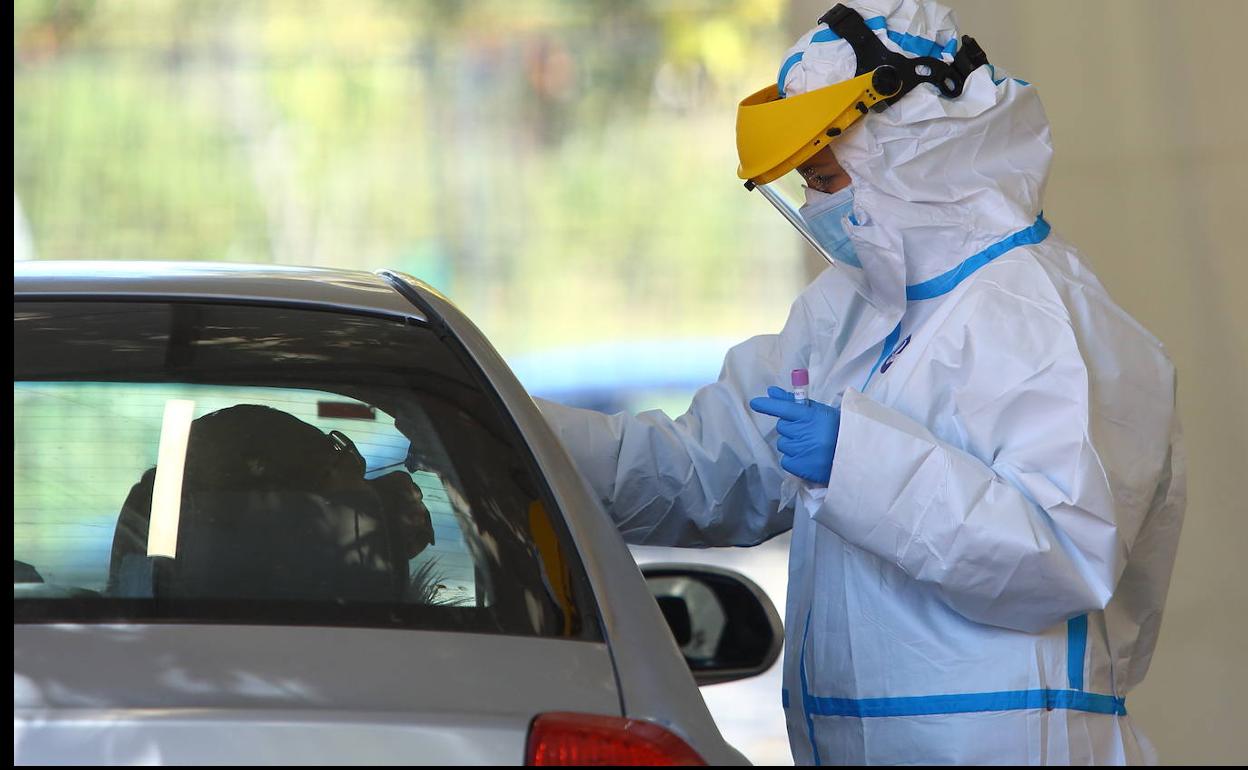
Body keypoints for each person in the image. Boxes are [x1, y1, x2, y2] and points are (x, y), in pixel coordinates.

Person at [536, 0, 1185, 764]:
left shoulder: (1043, 318)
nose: (821, 205)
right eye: (811, 182)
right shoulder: (843, 314)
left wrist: (860, 462)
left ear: (908, 144)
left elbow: (1060, 558)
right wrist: (521, 438)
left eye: (827, 174)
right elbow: (702, 472)